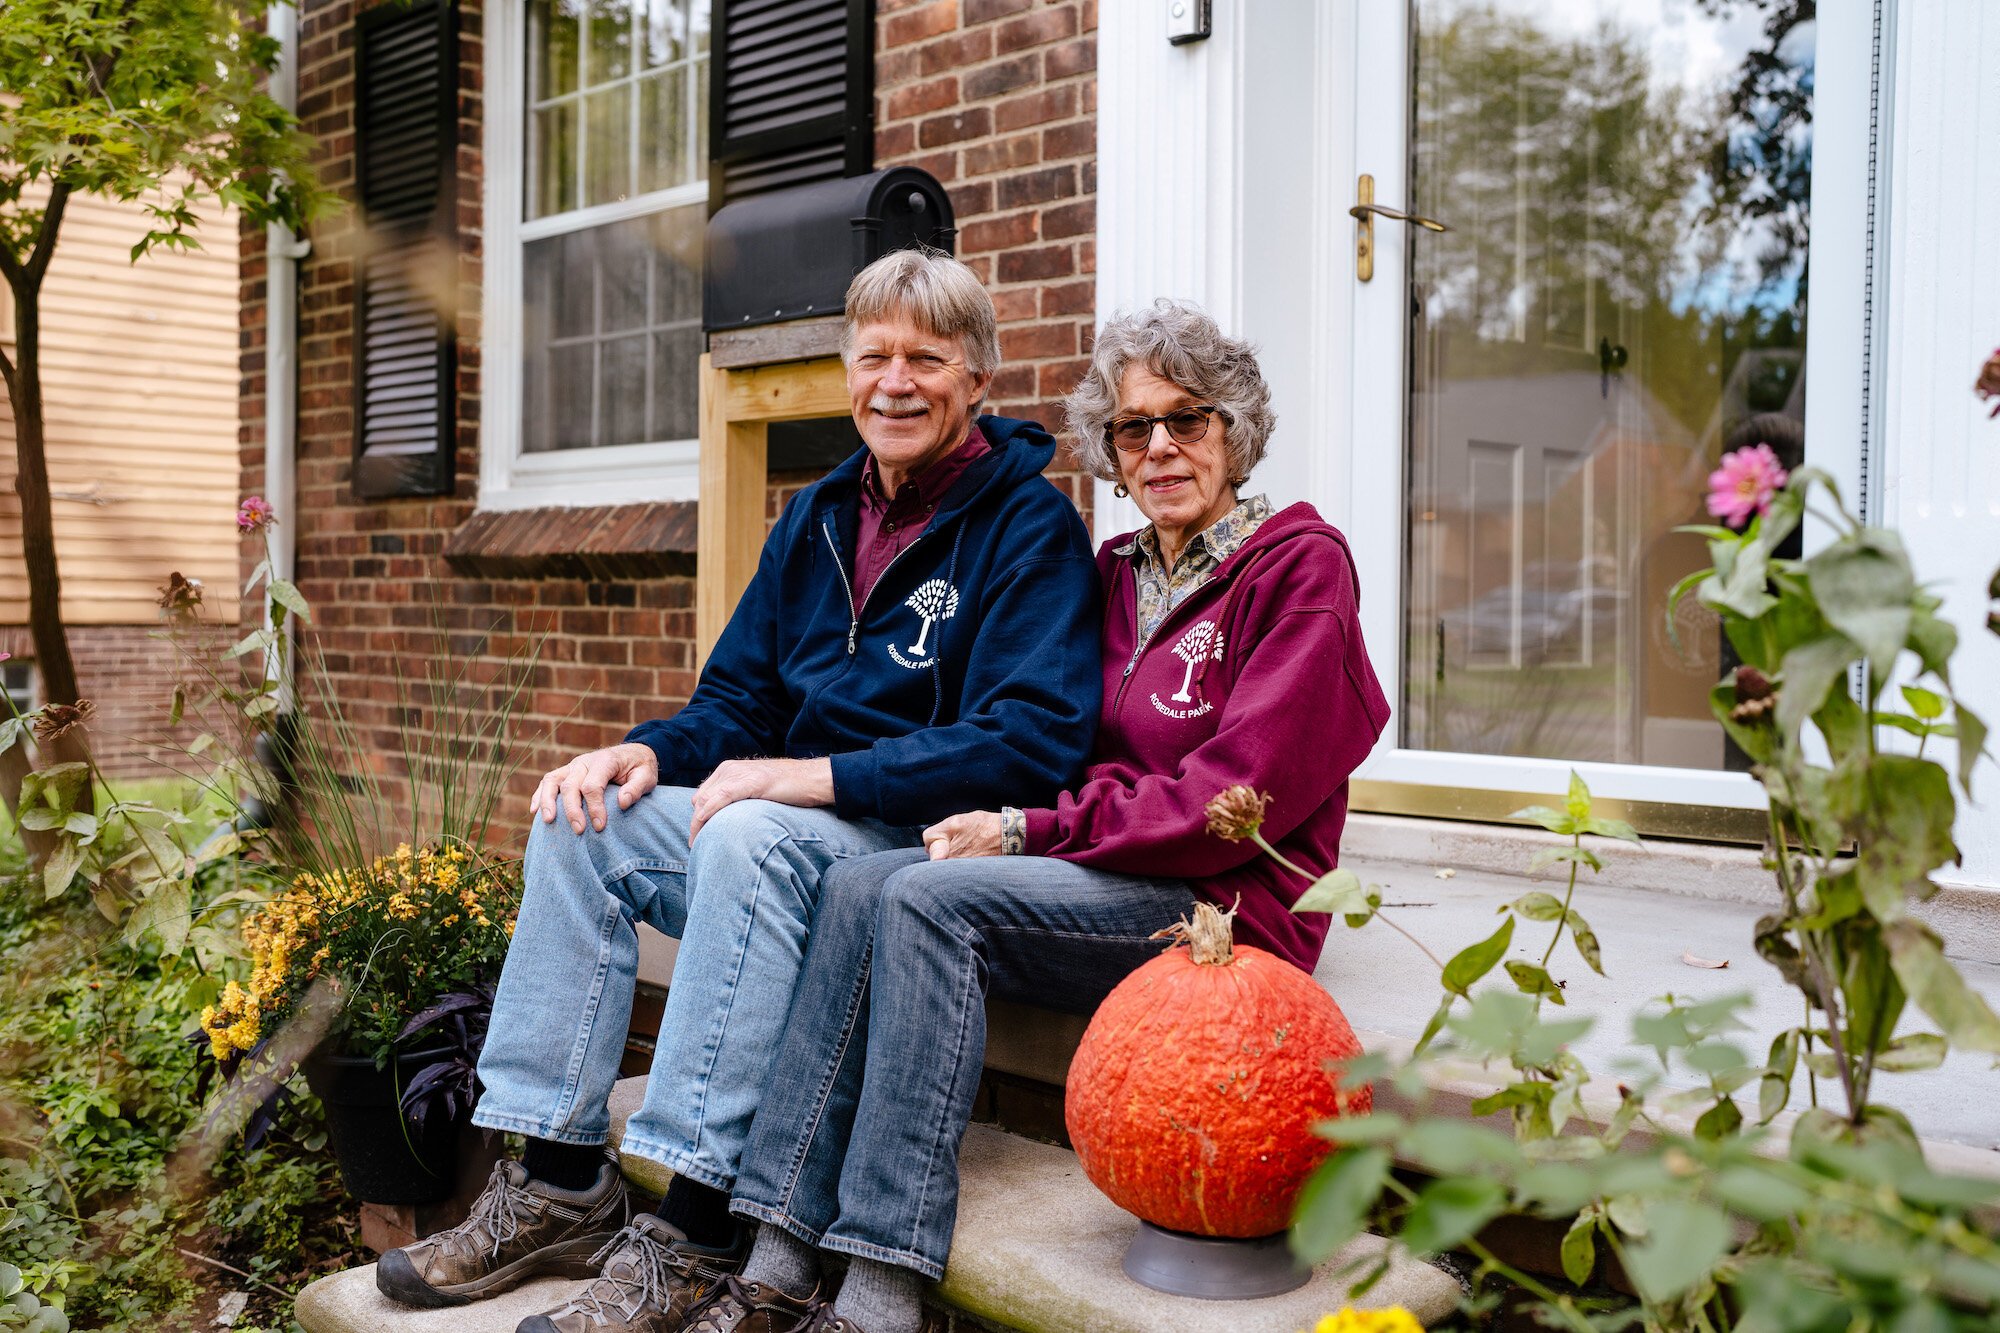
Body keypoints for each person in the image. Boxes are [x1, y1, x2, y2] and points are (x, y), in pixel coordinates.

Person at [374, 249, 1104, 1331]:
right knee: (587, 822)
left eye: (925, 359)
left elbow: (1029, 743)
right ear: (845, 370)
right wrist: (648, 752)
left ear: (977, 380)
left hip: (906, 841)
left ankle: (699, 1218)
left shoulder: (1028, 528)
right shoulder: (816, 515)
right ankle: (560, 1179)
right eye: (872, 357)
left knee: (752, 832)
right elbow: (738, 700)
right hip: (791, 820)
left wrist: (817, 776)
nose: (893, 382)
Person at [698, 299, 1391, 1333]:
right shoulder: (1114, 576)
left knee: (934, 908)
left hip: (1224, 909)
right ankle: (778, 1249)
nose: (1158, 447)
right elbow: (1059, 747)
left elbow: (1224, 803)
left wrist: (1029, 829)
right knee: (856, 882)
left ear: (1234, 429)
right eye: (1129, 428)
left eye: (1185, 419)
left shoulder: (1300, 569)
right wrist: (1021, 817)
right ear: (1108, 451)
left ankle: (883, 1280)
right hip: (1104, 877)